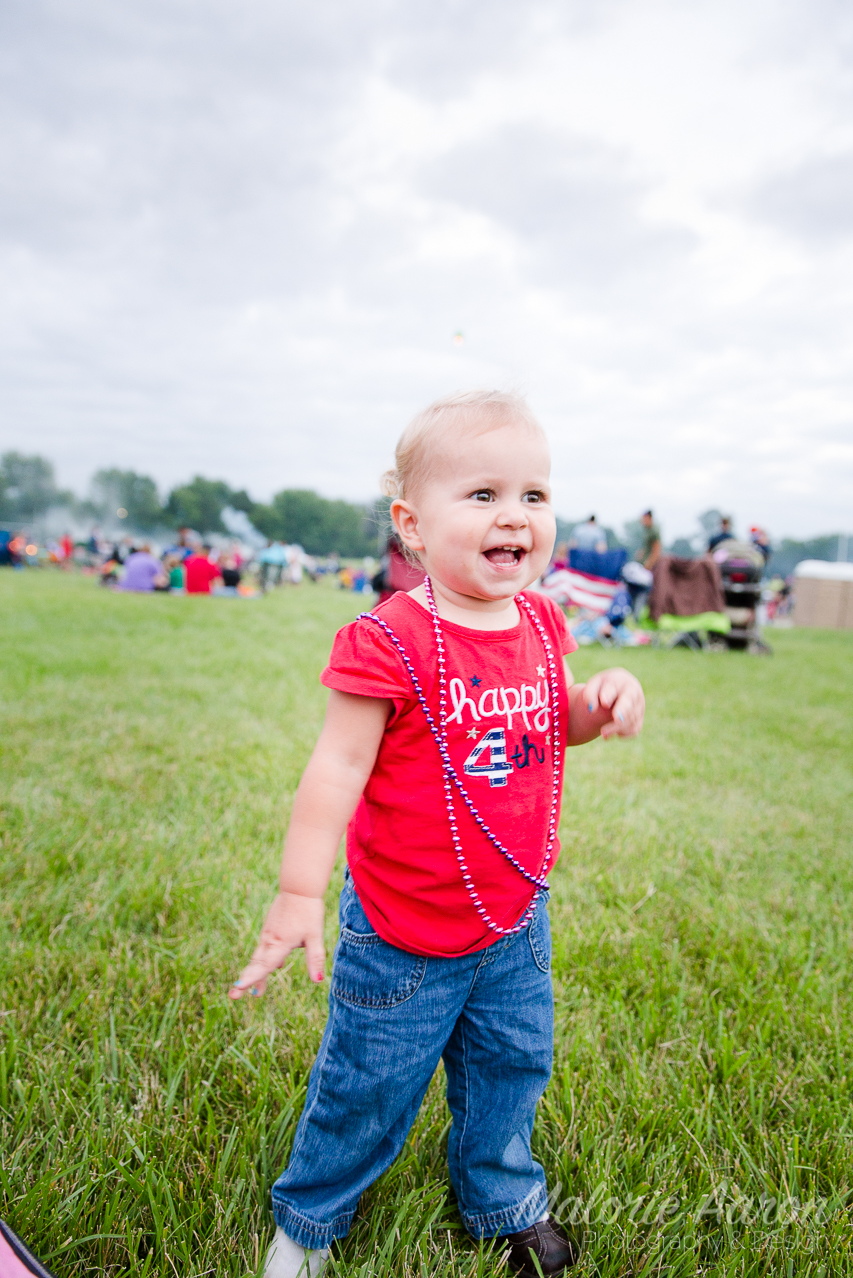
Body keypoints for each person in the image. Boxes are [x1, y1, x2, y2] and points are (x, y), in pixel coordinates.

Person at [230, 390, 645, 1278]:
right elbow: (335, 770)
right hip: (403, 932)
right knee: (367, 1087)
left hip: (513, 919)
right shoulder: (388, 638)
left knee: (511, 1068)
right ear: (412, 527)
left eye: (534, 495)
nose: (515, 517)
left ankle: (503, 1199)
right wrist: (300, 890)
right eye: (484, 495)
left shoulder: (540, 620)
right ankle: (307, 1222)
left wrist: (596, 700)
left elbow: (549, 716)